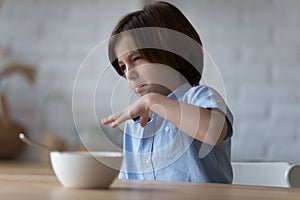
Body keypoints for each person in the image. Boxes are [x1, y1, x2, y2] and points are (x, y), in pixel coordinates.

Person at [101, 1, 233, 183]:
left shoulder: (199, 97)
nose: (129, 73)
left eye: (137, 58)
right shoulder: (135, 123)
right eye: (123, 66)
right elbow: (128, 183)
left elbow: (213, 132)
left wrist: (153, 101)